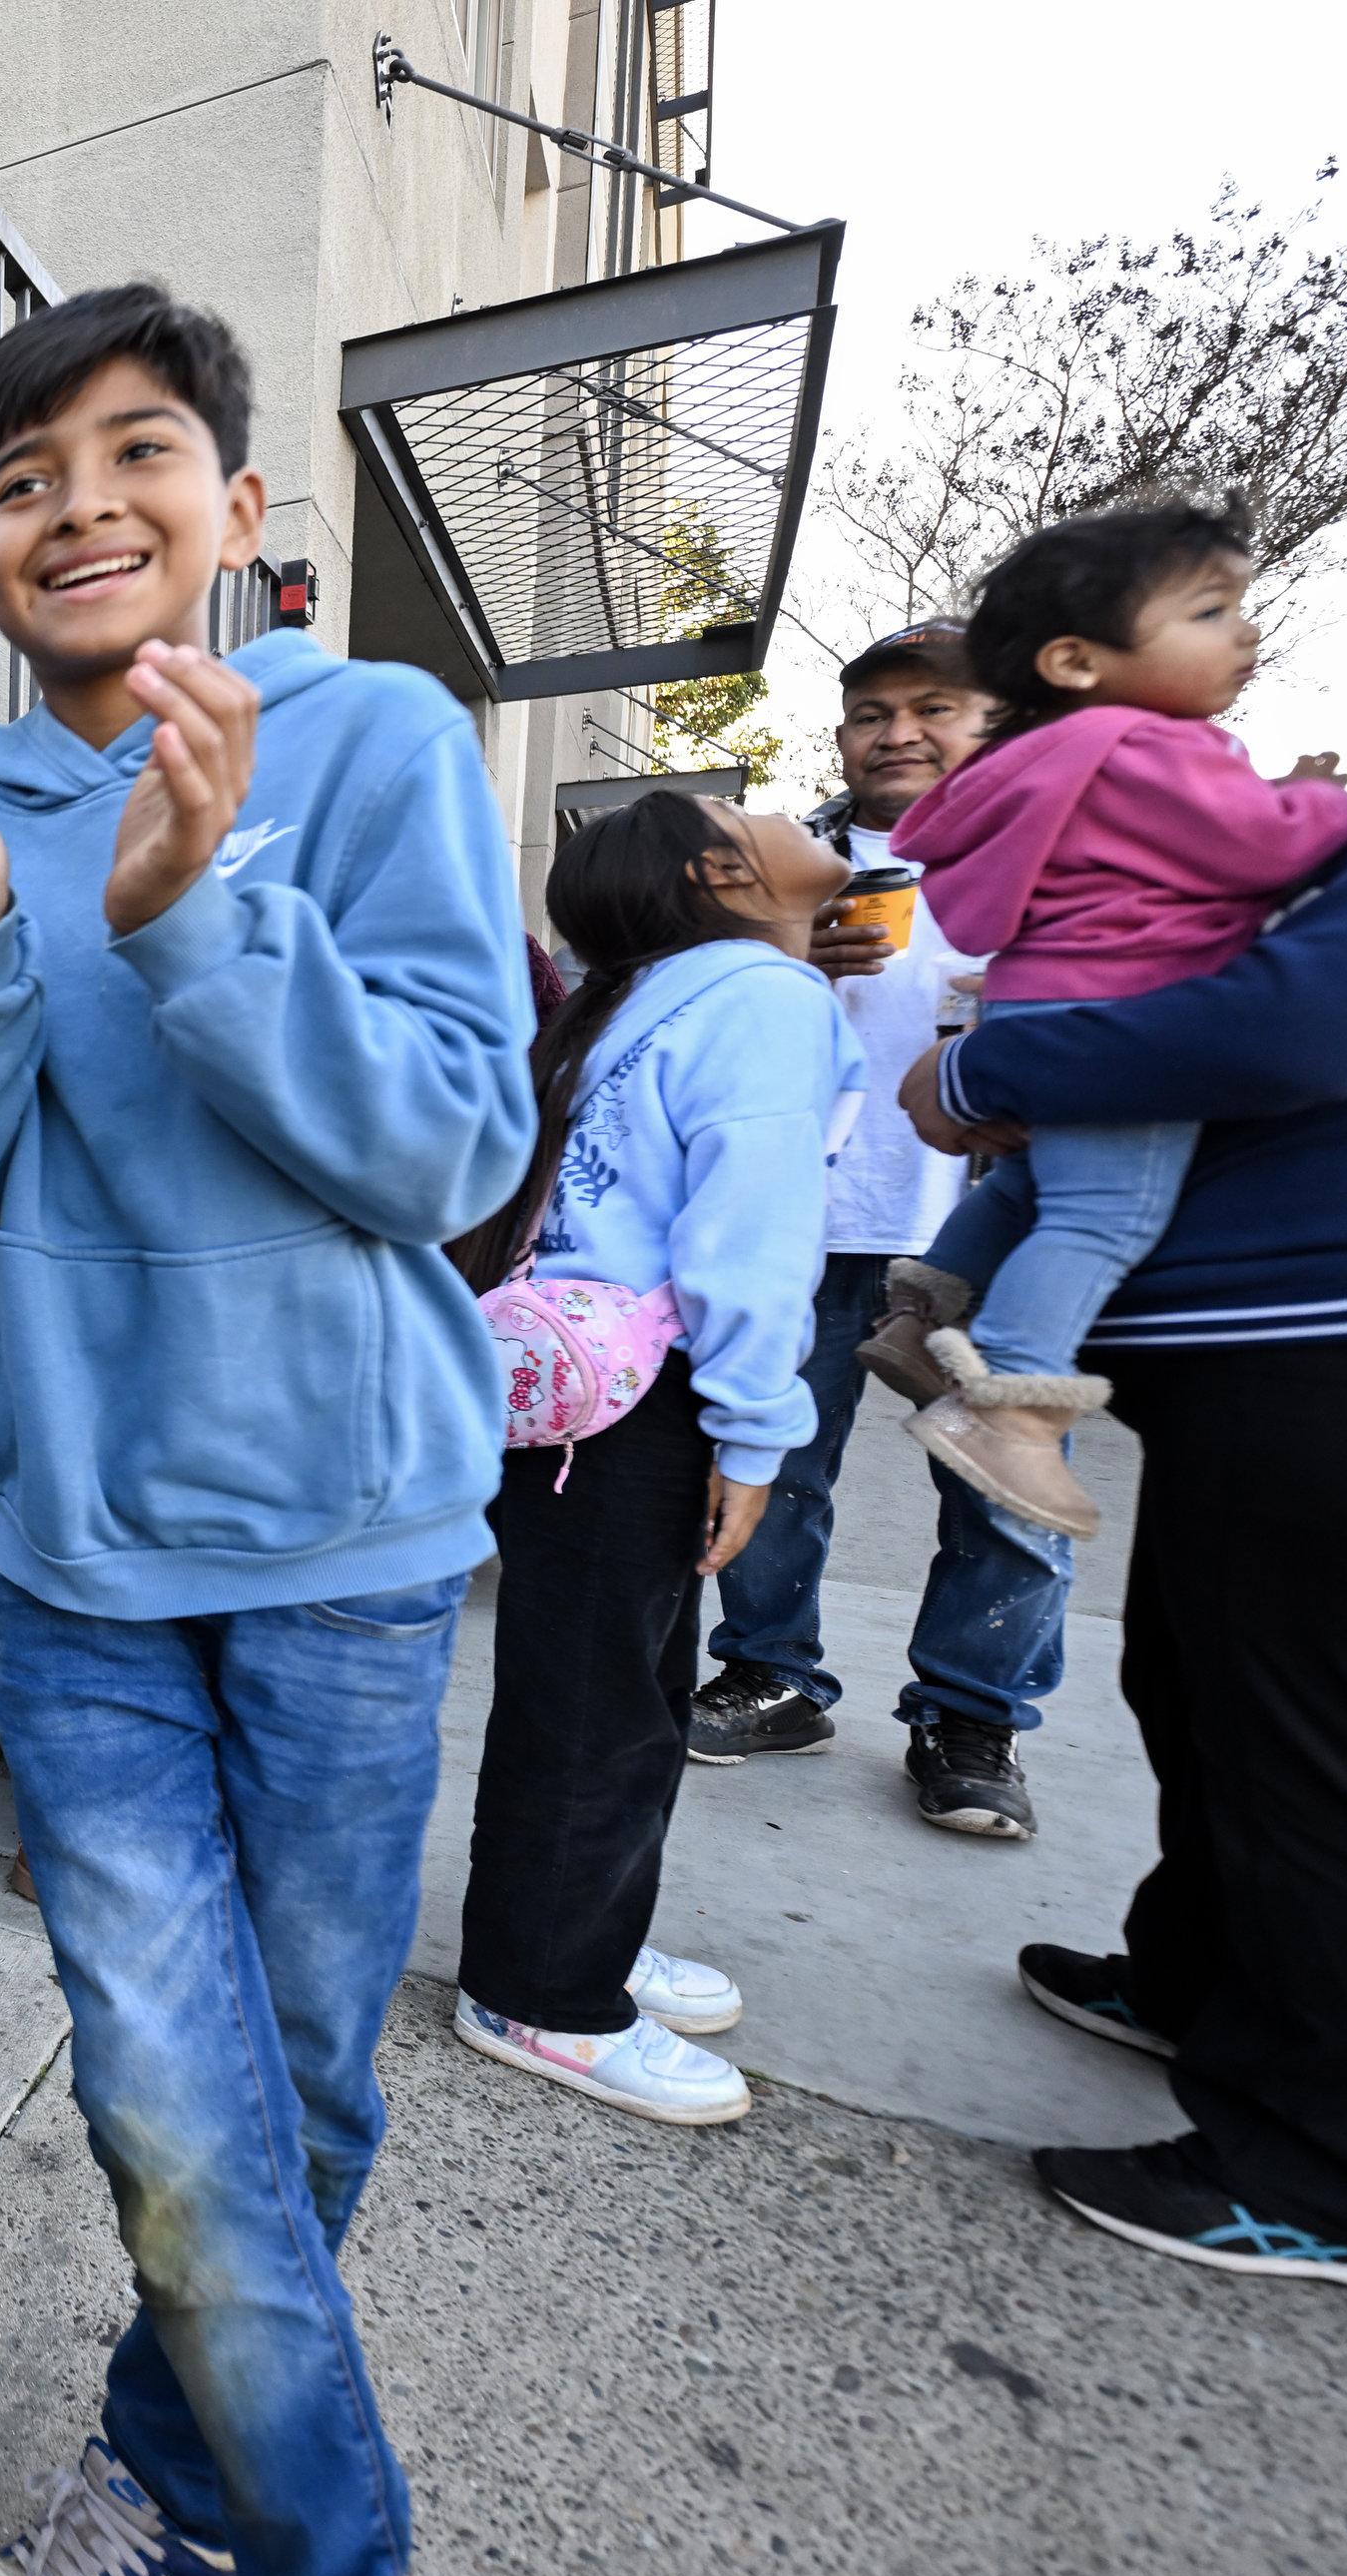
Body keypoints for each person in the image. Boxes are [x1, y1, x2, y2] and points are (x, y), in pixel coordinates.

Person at [0, 282, 532, 2576]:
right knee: (172, 2107)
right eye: (20, 481)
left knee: (289, 2101)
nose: (78, 506)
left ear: (237, 503)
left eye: (133, 453)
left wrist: (198, 915)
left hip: (346, 1546)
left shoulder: (370, 736)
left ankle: (166, 2484)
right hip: (83, 1563)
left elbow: (450, 1145)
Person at [905, 464, 1347, 2312]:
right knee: (1210, 1685)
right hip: (1298, 1354)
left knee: (1344, 1750)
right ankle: (1204, 1985)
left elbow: (1291, 1026)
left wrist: (992, 1068)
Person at [446, 794, 861, 2129]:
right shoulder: (760, 998)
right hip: (648, 1395)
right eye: (748, 810)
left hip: (576, 1381)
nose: (786, 809)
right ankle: (540, 1989)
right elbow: (752, 1235)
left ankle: (583, 1935)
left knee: (608, 1684)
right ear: (717, 873)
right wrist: (756, 1427)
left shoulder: (625, 999)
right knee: (606, 1700)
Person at [880, 502, 1347, 1538]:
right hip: (1126, 1002)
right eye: (1210, 611)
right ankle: (1011, 1403)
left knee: (1032, 1183)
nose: (1245, 632)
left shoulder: (1039, 756)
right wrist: (1317, 798)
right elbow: (1264, 847)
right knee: (1105, 1214)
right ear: (1074, 659)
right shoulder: (1149, 745)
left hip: (1043, 992)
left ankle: (925, 1311)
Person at [687, 621, 1075, 1841]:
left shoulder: (1065, 862)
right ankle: (772, 1676)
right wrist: (778, 948)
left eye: (932, 709)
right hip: (801, 1221)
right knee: (772, 1460)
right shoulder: (776, 862)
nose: (895, 733)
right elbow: (679, 1008)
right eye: (870, 712)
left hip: (1000, 1227)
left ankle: (971, 1719)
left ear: (996, 726)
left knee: (1001, 1486)